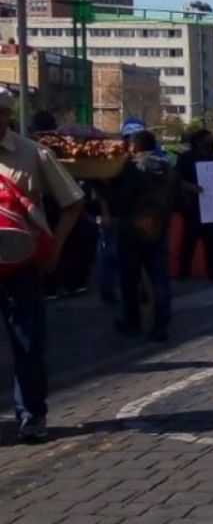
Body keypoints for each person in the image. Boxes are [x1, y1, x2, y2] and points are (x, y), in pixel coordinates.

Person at [0, 88, 84, 443]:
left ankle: (32, 414)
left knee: (28, 343)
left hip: (20, 265)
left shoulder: (33, 153)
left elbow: (72, 201)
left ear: (5, 115)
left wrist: (56, 247)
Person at [110, 129, 178, 342]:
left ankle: (133, 321)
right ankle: (161, 325)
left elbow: (122, 199)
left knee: (129, 278)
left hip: (131, 228)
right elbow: (178, 197)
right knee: (159, 279)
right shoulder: (168, 166)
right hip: (158, 227)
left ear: (135, 145)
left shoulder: (132, 168)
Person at [175, 129, 213, 281]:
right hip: (193, 205)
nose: (211, 142)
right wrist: (191, 187)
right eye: (208, 139)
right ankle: (184, 272)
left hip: (211, 205)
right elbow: (177, 179)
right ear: (199, 141)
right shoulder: (186, 158)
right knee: (190, 239)